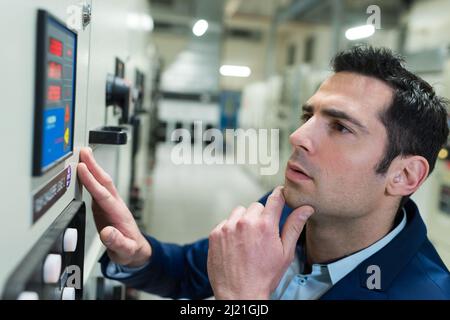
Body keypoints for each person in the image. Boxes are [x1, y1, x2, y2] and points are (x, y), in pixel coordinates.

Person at [77, 46, 450, 300]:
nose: (298, 136)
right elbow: (187, 273)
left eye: (340, 127)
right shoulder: (285, 212)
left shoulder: (427, 293)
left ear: (404, 176)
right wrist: (138, 254)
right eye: (309, 116)